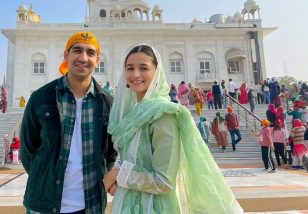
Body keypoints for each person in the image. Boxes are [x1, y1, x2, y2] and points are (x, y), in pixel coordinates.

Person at [103, 44, 242, 214]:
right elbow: (132, 157)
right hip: (127, 203)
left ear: (157, 73)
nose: (135, 75)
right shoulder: (132, 113)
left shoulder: (162, 115)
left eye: (144, 68)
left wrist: (118, 174)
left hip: (152, 207)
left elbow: (164, 181)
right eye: (130, 68)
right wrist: (119, 180)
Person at [20, 31, 117, 214]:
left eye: (90, 53)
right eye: (77, 50)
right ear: (66, 55)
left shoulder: (107, 104)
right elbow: (27, 150)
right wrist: (44, 179)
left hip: (90, 204)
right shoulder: (41, 97)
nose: (83, 57)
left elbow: (110, 154)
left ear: (98, 60)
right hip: (44, 205)